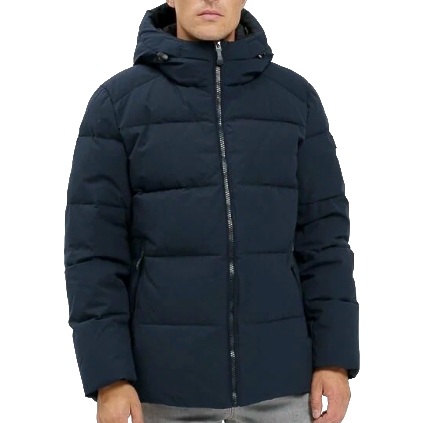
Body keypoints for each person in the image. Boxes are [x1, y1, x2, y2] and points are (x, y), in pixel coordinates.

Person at [64, 1, 360, 422]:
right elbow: (92, 255)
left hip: (285, 389)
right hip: (160, 395)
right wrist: (109, 379)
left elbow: (326, 241)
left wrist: (335, 361)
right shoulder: (115, 103)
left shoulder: (297, 99)